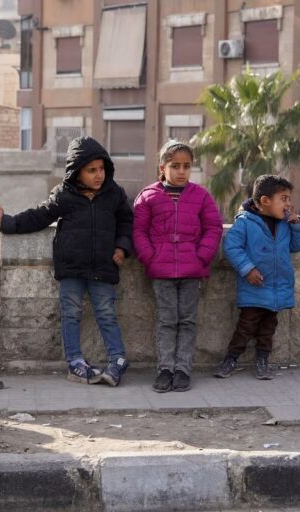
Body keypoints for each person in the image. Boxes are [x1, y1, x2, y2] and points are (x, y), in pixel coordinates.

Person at [0, 136, 134, 386]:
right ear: (77, 173)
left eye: (101, 168)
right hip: (71, 267)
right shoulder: (64, 195)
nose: (98, 175)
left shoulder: (114, 194)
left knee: (107, 313)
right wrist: (9, 223)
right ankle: (75, 362)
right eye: (91, 170)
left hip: (103, 267)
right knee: (70, 314)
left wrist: (122, 246)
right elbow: (40, 216)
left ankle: (118, 359)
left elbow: (126, 221)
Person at [133, 140, 223, 393]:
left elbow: (213, 228)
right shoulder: (148, 196)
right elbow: (139, 230)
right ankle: (165, 369)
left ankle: (183, 369)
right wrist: (150, 256)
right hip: (161, 271)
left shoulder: (201, 196)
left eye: (187, 166)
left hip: (191, 270)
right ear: (163, 167)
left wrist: (201, 256)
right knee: (166, 320)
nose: (181, 171)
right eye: (175, 166)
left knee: (187, 320)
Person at [213, 175, 300, 380]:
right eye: (283, 198)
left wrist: (298, 224)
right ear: (265, 201)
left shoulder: (285, 224)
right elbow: (231, 247)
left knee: (268, 330)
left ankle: (262, 361)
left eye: (289, 198)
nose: (288, 204)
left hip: (276, 289)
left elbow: (296, 246)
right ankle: (230, 359)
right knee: (245, 327)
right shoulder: (245, 222)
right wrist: (248, 269)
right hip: (254, 288)